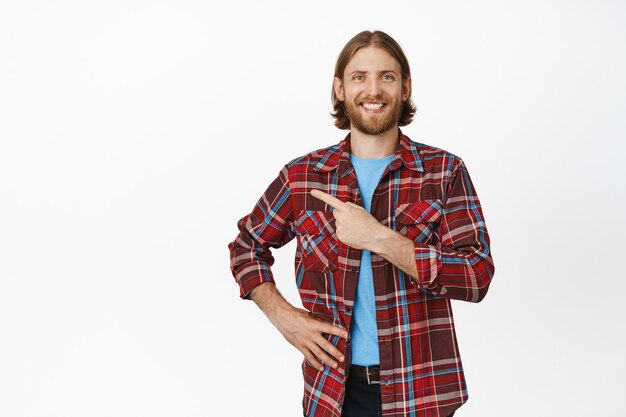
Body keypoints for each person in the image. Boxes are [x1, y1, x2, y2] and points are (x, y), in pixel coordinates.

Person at [228, 30, 495, 417]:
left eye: (386, 76)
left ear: (405, 88)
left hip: (421, 391)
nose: (373, 89)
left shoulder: (443, 172)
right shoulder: (303, 177)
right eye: (359, 77)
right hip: (333, 391)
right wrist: (283, 317)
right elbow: (246, 246)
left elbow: (477, 275)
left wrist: (381, 238)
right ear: (339, 89)